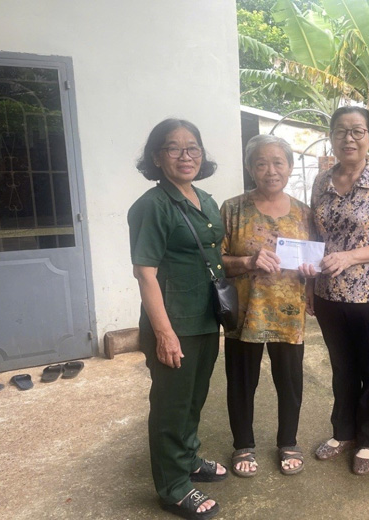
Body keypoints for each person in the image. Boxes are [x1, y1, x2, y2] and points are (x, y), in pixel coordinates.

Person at [128, 119, 227, 520]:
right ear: (157, 157)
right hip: (173, 323)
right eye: (174, 148)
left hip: (204, 317)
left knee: (194, 398)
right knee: (171, 405)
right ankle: (172, 487)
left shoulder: (205, 199)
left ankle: (187, 459)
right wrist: (164, 334)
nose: (186, 156)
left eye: (193, 148)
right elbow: (144, 273)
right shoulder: (151, 206)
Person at [310, 106, 369, 475]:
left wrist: (350, 257)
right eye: (340, 130)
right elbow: (314, 236)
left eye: (357, 131)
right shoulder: (322, 181)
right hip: (328, 293)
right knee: (341, 366)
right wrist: (310, 284)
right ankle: (343, 432)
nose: (348, 138)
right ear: (331, 136)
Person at [220, 134, 314, 477]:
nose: (270, 171)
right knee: (241, 382)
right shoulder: (232, 209)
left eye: (278, 163)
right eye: (261, 163)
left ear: (289, 167)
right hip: (245, 313)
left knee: (290, 382)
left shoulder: (304, 213)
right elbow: (216, 261)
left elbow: (315, 258)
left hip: (289, 314)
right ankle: (243, 444)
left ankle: (288, 441)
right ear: (250, 168)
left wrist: (311, 273)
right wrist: (248, 261)